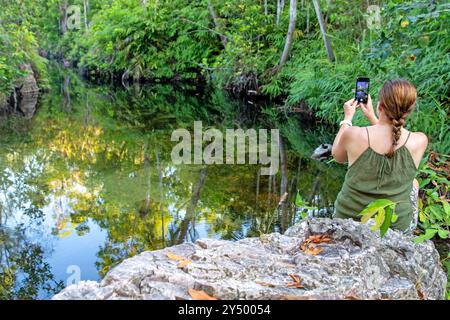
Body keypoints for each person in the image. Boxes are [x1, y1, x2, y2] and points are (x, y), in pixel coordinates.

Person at [332, 79, 428, 233]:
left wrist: (347, 119)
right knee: (414, 183)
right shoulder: (419, 141)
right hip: (396, 227)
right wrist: (372, 116)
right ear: (409, 110)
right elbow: (392, 139)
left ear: (380, 106)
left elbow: (338, 156)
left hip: (347, 222)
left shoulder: (354, 134)